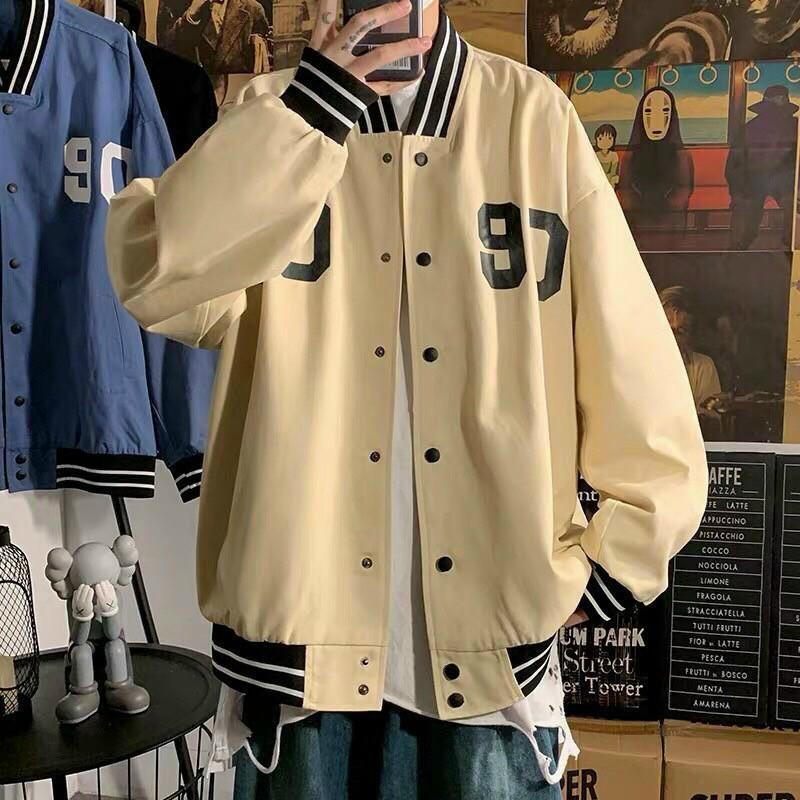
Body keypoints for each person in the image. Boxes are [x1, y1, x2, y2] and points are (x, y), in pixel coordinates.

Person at [105, 0, 709, 795]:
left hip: (490, 664)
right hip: (297, 663)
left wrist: (613, 567)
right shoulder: (270, 114)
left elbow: (636, 370)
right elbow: (153, 277)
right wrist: (312, 113)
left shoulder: (531, 120)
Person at [725, 84, 798, 250]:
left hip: (787, 181)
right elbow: (734, 165)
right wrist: (736, 192)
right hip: (753, 181)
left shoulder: (796, 127)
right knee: (746, 208)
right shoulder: (749, 129)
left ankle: (791, 245)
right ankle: (740, 247)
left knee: (793, 203)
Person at [618, 86, 694, 229]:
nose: (656, 119)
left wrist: (667, 209)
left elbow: (683, 190)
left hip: (670, 221)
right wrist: (637, 207)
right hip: (637, 220)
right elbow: (625, 189)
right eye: (648, 111)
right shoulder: (630, 156)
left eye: (665, 111)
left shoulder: (682, 156)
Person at [157, 0, 271, 74]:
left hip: (237, 90)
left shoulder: (252, 9)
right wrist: (191, 14)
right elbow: (167, 47)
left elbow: (265, 58)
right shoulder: (186, 8)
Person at [593, 123, 619, 187]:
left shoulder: (614, 155)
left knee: (614, 179)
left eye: (609, 138)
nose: (605, 142)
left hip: (609, 179)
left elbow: (613, 171)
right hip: (598, 178)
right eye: (600, 138)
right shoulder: (596, 155)